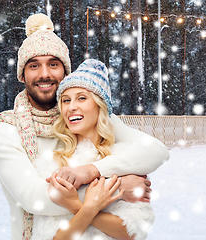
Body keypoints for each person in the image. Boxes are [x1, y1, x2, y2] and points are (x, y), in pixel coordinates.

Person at [0, 13, 169, 240]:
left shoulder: (83, 117)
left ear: (65, 72)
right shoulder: (4, 130)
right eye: (34, 65)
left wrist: (91, 172)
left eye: (53, 64)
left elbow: (156, 151)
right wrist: (116, 188)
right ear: (22, 74)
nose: (45, 74)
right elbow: (33, 197)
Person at [31, 59, 156, 240]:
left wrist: (75, 205)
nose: (72, 106)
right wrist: (91, 206)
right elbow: (50, 237)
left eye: (82, 98)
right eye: (66, 100)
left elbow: (131, 232)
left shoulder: (125, 159)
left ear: (100, 106)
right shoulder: (52, 163)